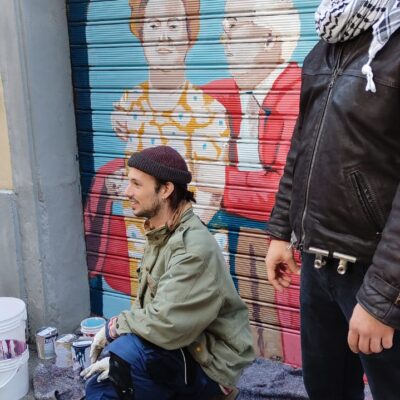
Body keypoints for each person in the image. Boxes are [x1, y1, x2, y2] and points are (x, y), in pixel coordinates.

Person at [266, 0, 400, 399]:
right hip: (317, 263)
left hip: (376, 270)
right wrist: (280, 230)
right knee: (325, 390)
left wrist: (382, 298)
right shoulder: (326, 44)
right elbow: (302, 144)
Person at [82, 146, 255, 400]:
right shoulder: (162, 232)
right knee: (114, 371)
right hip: (180, 347)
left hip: (208, 367)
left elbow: (165, 322)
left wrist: (114, 328)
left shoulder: (191, 248)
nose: (127, 192)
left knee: (111, 376)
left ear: (165, 190)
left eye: (136, 184)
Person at [84, 0, 229, 299]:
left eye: (174, 25)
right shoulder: (127, 104)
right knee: (147, 315)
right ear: (140, 33)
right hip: (141, 248)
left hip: (188, 253)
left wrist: (174, 246)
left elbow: (211, 194)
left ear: (189, 34)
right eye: (153, 25)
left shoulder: (208, 111)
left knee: (183, 319)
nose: (163, 36)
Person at [201, 0, 302, 363]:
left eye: (234, 25)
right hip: (241, 232)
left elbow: (282, 190)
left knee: (280, 322)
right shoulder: (227, 93)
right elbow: (182, 112)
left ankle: (280, 366)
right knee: (248, 311)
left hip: (284, 239)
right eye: (223, 26)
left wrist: (216, 180)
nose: (223, 37)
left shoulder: (298, 95)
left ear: (270, 38)